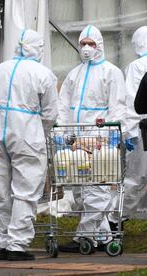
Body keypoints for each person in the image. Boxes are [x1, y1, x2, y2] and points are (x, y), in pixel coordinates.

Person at [0, 29, 58, 261]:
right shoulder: (43, 74)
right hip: (27, 135)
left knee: (2, 191)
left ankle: (1, 243)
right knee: (25, 191)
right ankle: (17, 245)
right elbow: (49, 114)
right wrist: (40, 131)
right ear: (38, 48)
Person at [58, 25, 126, 253]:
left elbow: (117, 108)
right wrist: (63, 133)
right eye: (83, 43)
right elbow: (63, 105)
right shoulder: (74, 74)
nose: (86, 48)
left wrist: (110, 137)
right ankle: (105, 238)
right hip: (76, 140)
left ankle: (83, 237)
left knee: (97, 190)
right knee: (80, 192)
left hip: (99, 140)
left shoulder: (111, 72)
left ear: (99, 46)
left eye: (91, 43)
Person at [108, 26, 147, 229]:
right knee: (137, 178)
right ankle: (116, 218)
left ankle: (116, 219)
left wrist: (130, 131)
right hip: (141, 129)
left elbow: (132, 102)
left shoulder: (136, 66)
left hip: (141, 130)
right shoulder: (138, 66)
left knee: (135, 178)